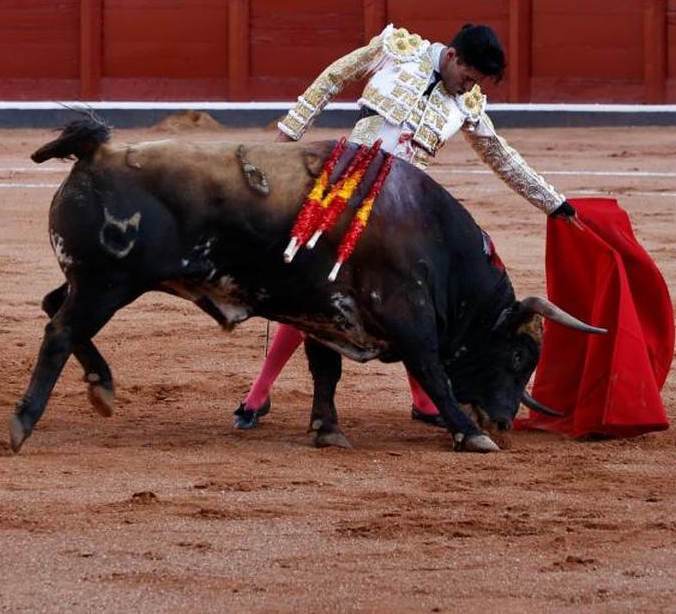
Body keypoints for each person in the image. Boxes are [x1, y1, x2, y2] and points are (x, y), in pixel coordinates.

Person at [233, 22, 575, 431]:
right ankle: (260, 392)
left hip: (404, 211)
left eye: (477, 83)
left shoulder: (468, 105)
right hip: (345, 187)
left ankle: (424, 398)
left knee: (418, 297)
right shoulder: (397, 50)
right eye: (468, 77)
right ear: (451, 56)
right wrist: (289, 135)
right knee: (313, 289)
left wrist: (554, 203)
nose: (469, 89)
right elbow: (334, 76)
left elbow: (503, 158)